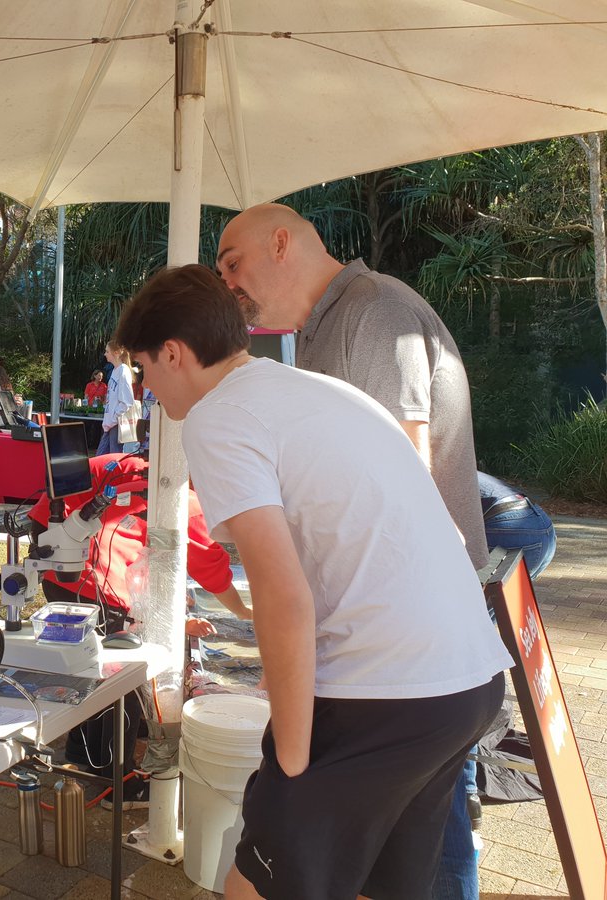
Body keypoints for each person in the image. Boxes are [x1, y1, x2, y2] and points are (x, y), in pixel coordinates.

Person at [114, 263, 509, 900]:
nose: (149, 387)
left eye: (146, 368)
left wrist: (292, 758)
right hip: (467, 683)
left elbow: (281, 594)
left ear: (172, 352)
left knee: (259, 885)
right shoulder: (313, 390)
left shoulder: (218, 415)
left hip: (386, 693)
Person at [217, 202, 489, 900]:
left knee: (434, 850)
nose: (225, 283)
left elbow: (403, 484)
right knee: (407, 857)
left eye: (232, 262)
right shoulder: (317, 333)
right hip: (402, 655)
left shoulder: (372, 312)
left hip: (407, 654)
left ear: (282, 243)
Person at [28, 451, 248, 809]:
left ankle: (81, 752)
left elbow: (45, 506)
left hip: (56, 569)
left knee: (87, 667)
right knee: (124, 681)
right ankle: (119, 785)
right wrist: (243, 610)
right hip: (97, 582)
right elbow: (209, 564)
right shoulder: (184, 497)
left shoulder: (128, 461)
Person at [479, 471, 557, 578]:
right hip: (543, 525)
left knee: (481, 591)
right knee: (509, 593)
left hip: (509, 529)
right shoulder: (460, 468)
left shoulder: (450, 473)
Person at [99, 340, 138, 455]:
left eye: (107, 351)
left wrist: (113, 418)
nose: (105, 354)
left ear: (116, 353)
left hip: (116, 424)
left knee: (111, 460)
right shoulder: (116, 371)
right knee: (103, 459)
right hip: (111, 424)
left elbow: (127, 401)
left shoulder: (123, 370)